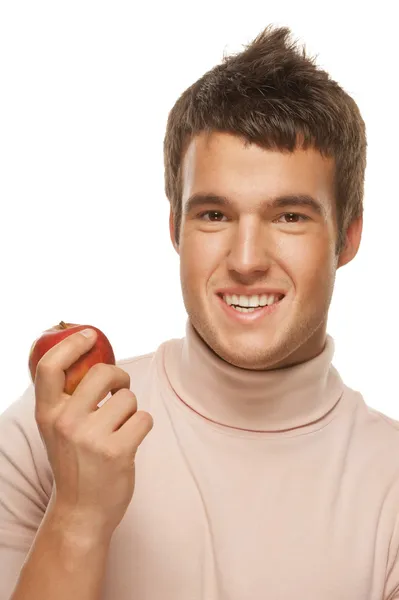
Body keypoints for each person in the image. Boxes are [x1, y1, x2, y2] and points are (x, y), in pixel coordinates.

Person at [1, 24, 398, 600]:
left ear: (348, 238)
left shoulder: (389, 481)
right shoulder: (50, 434)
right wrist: (77, 517)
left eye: (290, 217)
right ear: (174, 229)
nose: (245, 260)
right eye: (214, 215)